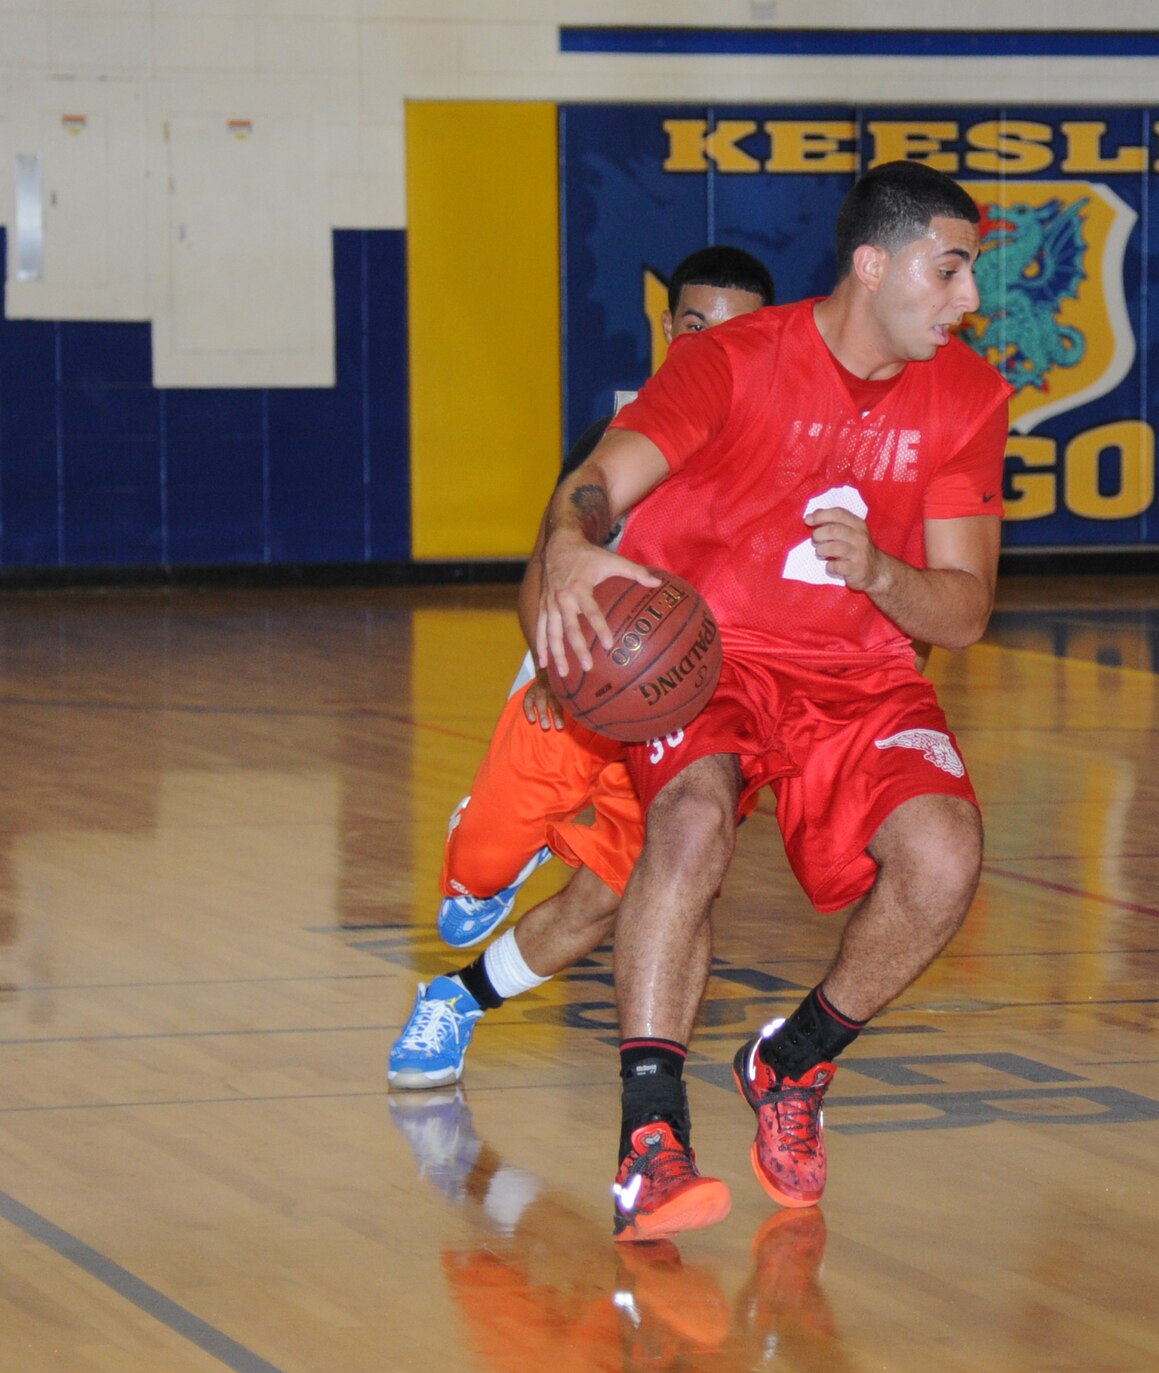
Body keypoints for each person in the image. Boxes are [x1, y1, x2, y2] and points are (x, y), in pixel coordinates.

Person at [534, 161, 1011, 1243]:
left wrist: (882, 577)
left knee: (944, 853)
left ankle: (788, 1062)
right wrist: (570, 539)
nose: (967, 299)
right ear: (871, 263)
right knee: (691, 820)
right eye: (950, 271)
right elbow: (601, 478)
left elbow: (967, 611)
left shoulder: (968, 398)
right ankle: (649, 1143)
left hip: (857, 672)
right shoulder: (733, 361)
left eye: (968, 274)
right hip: (706, 654)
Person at [387, 246, 775, 1091]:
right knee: (476, 888)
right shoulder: (619, 444)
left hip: (683, 712)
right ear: (670, 329)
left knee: (613, 898)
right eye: (696, 328)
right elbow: (542, 571)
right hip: (577, 689)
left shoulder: (785, 451)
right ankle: (483, 853)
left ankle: (454, 1003)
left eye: (736, 334)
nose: (711, 348)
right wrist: (560, 689)